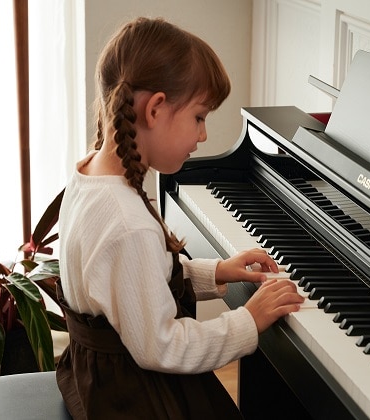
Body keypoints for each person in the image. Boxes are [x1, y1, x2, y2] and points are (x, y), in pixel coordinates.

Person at [55, 17, 305, 419]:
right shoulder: (126, 223)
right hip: (132, 396)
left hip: (95, 374)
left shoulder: (90, 174)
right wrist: (248, 320)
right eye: (200, 117)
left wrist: (217, 272)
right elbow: (163, 345)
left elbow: (130, 284)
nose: (203, 135)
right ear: (155, 108)